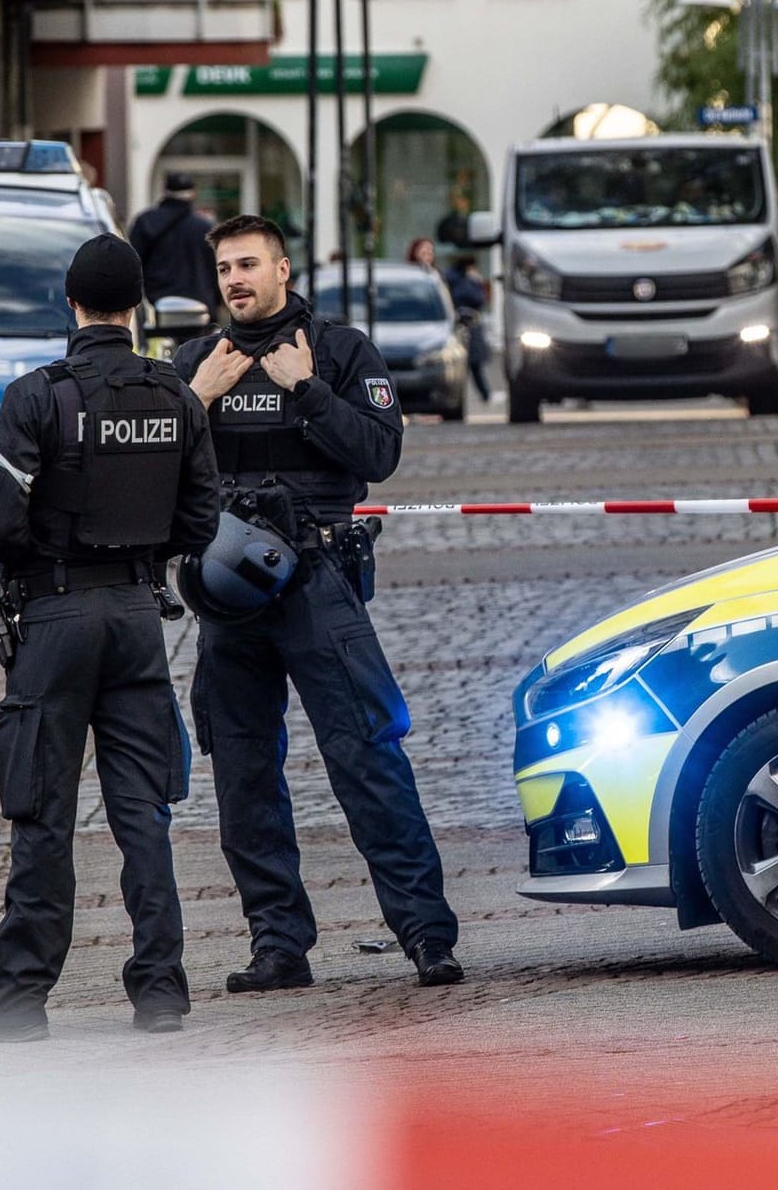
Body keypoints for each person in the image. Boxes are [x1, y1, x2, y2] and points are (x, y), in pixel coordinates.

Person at [172, 214, 463, 991]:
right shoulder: (198, 362)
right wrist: (192, 403)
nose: (235, 279)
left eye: (248, 265)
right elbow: (148, 471)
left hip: (317, 578)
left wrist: (306, 391)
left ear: (283, 270)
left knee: (367, 755)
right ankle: (278, 946)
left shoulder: (337, 351)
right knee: (242, 772)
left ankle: (427, 936)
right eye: (225, 268)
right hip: (228, 594)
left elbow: (380, 453)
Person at [0, 234, 220, 1045]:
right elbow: (202, 518)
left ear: (71, 303)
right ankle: (161, 989)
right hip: (139, 617)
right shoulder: (176, 396)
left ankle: (19, 1001)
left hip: (57, 618)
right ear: (135, 307)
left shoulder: (40, 396)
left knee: (42, 812)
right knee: (145, 814)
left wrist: (48, 562)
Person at [129, 170, 223, 316]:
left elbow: (133, 266)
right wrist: (216, 301)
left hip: (156, 310)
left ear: (164, 191)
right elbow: (214, 269)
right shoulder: (204, 227)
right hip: (199, 310)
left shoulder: (145, 222)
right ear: (193, 193)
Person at [443, 254, 495, 404]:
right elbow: (477, 299)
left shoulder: (451, 278)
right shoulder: (463, 281)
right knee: (472, 364)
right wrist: (476, 282)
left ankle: (483, 394)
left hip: (462, 326)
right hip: (466, 326)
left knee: (471, 365)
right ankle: (484, 394)